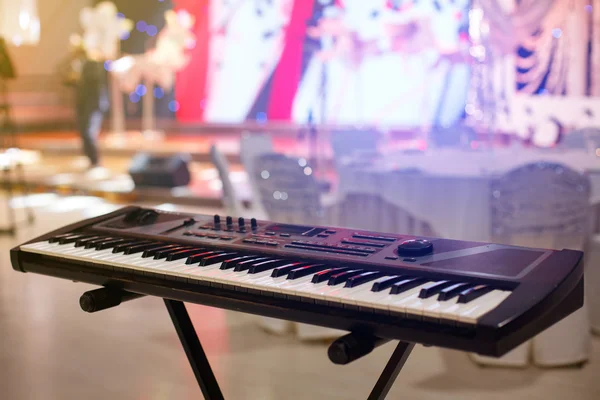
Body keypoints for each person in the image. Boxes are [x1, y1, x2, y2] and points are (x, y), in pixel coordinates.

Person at [75, 59, 109, 168]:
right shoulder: (83, 66)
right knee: (85, 132)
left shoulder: (94, 66)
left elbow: (95, 84)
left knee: (89, 132)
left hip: (93, 104)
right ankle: (91, 159)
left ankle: (95, 161)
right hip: (85, 104)